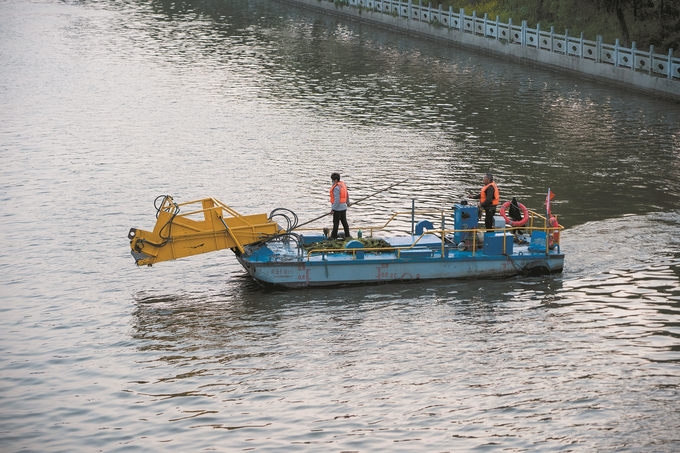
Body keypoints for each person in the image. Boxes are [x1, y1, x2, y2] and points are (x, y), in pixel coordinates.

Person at [330, 172, 351, 240]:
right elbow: (347, 194)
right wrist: (348, 203)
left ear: (335, 180)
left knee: (336, 223)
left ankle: (333, 236)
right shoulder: (343, 185)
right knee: (344, 222)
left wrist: (333, 209)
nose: (332, 181)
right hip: (343, 207)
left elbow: (337, 199)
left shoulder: (336, 188)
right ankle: (347, 235)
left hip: (338, 209)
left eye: (332, 180)